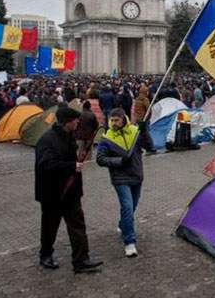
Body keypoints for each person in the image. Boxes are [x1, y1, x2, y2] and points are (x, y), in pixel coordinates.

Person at [35, 107, 103, 273]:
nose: (77, 122)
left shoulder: (69, 136)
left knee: (77, 225)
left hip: (71, 192)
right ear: (66, 122)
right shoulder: (47, 140)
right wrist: (72, 166)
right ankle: (46, 254)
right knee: (50, 226)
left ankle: (81, 259)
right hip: (52, 193)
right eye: (74, 120)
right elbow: (45, 165)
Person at [96, 108, 155, 257]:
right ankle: (129, 242)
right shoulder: (106, 138)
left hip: (136, 176)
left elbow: (150, 147)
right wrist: (120, 161)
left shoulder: (135, 133)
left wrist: (145, 131)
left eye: (117, 120)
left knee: (132, 206)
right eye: (112, 120)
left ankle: (123, 225)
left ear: (124, 119)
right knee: (127, 207)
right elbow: (100, 159)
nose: (114, 123)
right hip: (120, 178)